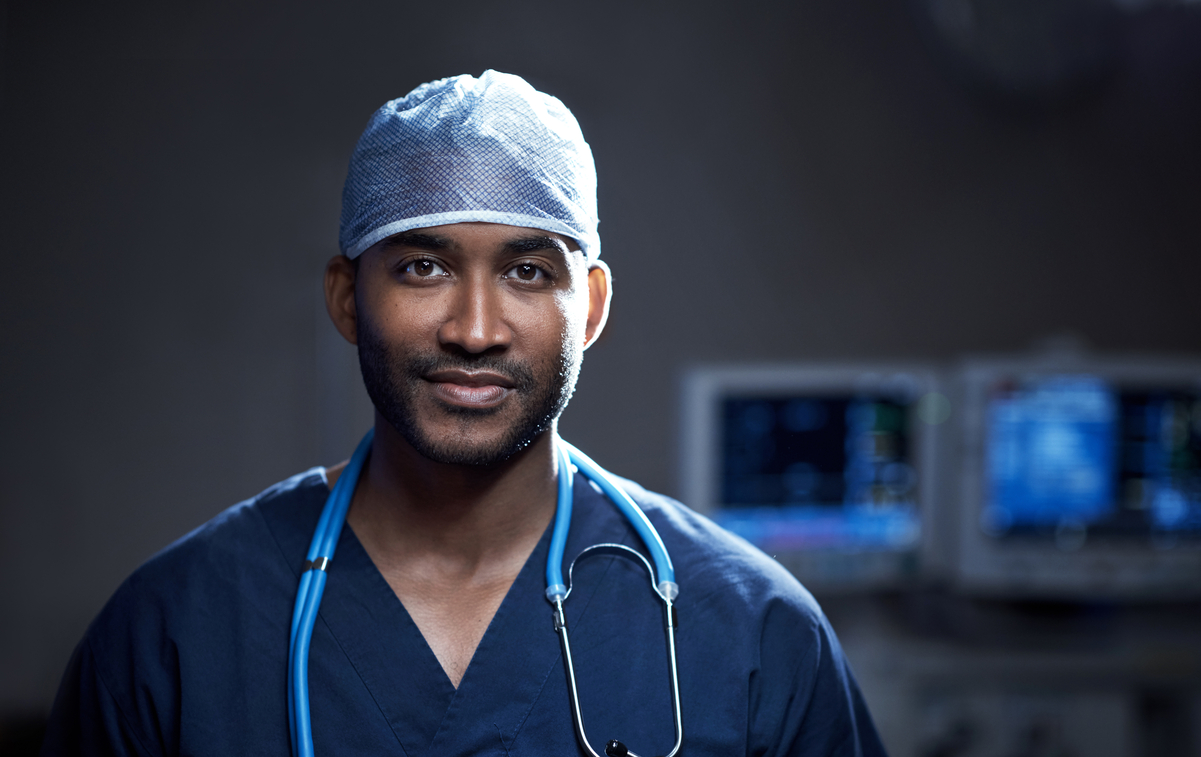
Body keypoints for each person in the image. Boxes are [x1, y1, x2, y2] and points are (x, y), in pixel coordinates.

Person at [42, 70, 887, 757]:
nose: (474, 330)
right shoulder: (174, 632)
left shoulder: (751, 633)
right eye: (423, 267)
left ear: (590, 307)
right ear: (346, 298)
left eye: (527, 272)